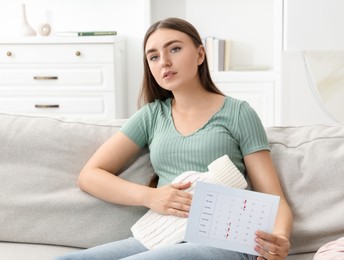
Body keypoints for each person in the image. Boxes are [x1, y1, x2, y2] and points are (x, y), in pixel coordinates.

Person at [56, 17, 292, 260]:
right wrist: (151, 196)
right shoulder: (151, 116)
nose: (164, 62)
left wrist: (280, 239)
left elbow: (274, 198)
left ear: (200, 54)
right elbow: (89, 176)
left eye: (175, 49)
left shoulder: (238, 113)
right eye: (153, 56)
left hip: (224, 241)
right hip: (160, 236)